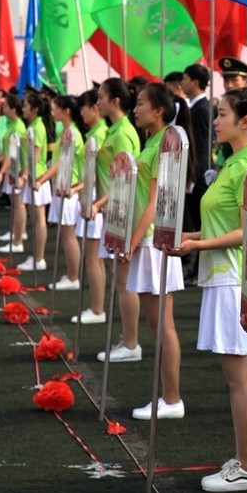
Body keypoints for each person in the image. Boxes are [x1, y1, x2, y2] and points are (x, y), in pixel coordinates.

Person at [169, 87, 247, 491]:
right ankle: (245, 461)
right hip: (222, 278)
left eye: (221, 114)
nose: (215, 121)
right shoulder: (235, 164)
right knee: (239, 380)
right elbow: (224, 226)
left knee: (243, 381)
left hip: (236, 279)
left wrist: (198, 244)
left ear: (245, 121)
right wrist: (192, 235)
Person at [116, 84, 193, 421]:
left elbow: (155, 201)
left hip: (150, 241)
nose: (136, 108)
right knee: (157, 324)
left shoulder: (163, 144)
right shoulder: (151, 141)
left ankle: (172, 398)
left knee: (163, 326)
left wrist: (132, 242)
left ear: (158, 111)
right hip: (145, 239)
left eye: (142, 103)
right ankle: (169, 396)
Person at [92, 78, 142, 361]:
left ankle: (131, 343)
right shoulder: (116, 131)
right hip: (115, 211)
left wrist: (103, 202)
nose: (97, 101)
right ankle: (128, 339)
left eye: (101, 97)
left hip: (123, 212)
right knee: (120, 279)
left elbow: (125, 181)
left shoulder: (123, 133)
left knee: (124, 281)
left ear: (115, 101)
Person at [72, 89, 110, 325]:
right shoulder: (96, 132)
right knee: (96, 258)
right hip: (95, 200)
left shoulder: (102, 133)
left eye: (83, 108)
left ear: (94, 107)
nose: (81, 113)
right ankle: (98, 306)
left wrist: (83, 193)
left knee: (93, 258)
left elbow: (99, 173)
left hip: (98, 202)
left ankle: (98, 309)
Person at [42, 96, 86, 291]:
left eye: (57, 108)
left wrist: (42, 178)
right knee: (66, 235)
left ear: (67, 110)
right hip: (62, 186)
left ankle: (73, 277)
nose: (54, 111)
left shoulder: (72, 133)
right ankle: (71, 274)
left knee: (69, 235)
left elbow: (61, 163)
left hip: (70, 188)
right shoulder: (67, 131)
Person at [16, 91, 56, 272]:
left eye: (25, 106)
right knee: (36, 218)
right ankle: (36, 256)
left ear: (35, 109)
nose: (22, 109)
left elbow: (35, 156)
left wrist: (25, 176)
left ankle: (39, 258)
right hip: (34, 175)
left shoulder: (36, 128)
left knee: (39, 219)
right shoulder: (34, 126)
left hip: (37, 176)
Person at [182, 63, 213, 284]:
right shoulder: (194, 107)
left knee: (201, 224)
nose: (182, 83)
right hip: (194, 172)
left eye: (184, 79)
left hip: (199, 174)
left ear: (194, 82)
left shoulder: (202, 108)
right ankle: (195, 269)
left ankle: (198, 270)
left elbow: (201, 145)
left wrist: (194, 174)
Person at [0, 95, 28, 253]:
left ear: (13, 109)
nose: (3, 109)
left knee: (18, 204)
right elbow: (7, 150)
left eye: (6, 106)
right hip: (11, 168)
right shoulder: (13, 125)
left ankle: (18, 239)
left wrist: (1, 170)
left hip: (16, 168)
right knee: (15, 204)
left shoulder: (18, 127)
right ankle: (16, 232)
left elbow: (13, 154)